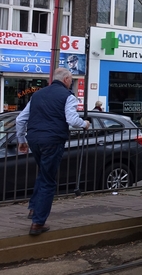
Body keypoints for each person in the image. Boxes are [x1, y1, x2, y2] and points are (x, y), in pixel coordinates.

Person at [15, 68, 90, 236]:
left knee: (43, 173)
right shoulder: (68, 97)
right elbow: (71, 119)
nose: (71, 82)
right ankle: (38, 223)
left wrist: (21, 140)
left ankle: (34, 209)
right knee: (49, 180)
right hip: (53, 140)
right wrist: (85, 124)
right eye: (70, 79)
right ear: (65, 80)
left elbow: (20, 119)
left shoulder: (37, 95)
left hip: (34, 139)